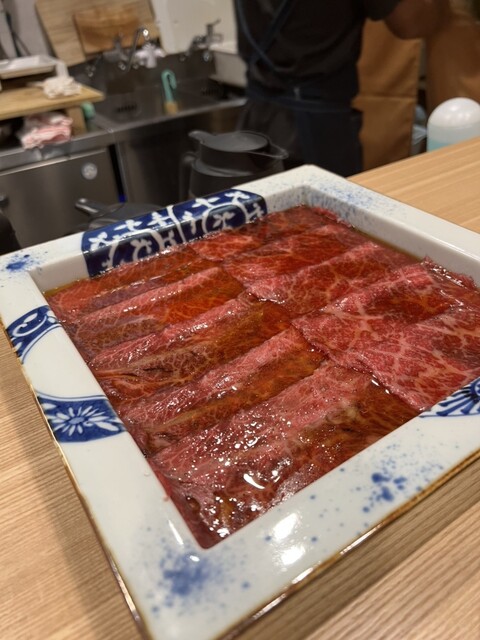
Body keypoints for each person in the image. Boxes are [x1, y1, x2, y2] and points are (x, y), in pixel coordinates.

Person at [233, 0, 451, 176]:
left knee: (258, 212)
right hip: (316, 135)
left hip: (255, 121)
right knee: (324, 217)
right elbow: (413, 22)